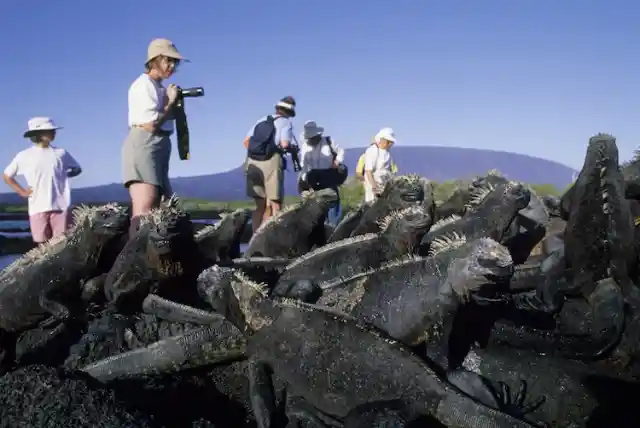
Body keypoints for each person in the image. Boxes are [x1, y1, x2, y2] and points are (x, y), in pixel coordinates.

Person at [122, 38, 187, 237]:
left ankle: (150, 256)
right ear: (155, 59)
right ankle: (134, 258)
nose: (172, 66)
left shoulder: (158, 87)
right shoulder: (143, 85)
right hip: (145, 143)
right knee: (144, 206)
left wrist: (171, 103)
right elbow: (151, 124)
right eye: (168, 60)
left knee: (161, 204)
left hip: (159, 145)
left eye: (175, 62)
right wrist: (171, 102)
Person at [3, 117, 82, 244]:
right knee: (41, 246)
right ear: (38, 134)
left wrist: (65, 175)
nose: (54, 133)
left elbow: (77, 168)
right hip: (37, 206)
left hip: (61, 206)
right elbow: (7, 175)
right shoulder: (24, 156)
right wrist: (22, 192)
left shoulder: (61, 153)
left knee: (62, 245)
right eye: (50, 130)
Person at [243, 96, 297, 233]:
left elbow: (246, 142)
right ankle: (274, 237)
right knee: (275, 203)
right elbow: (284, 144)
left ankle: (255, 238)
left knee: (259, 205)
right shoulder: (285, 123)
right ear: (289, 112)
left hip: (252, 162)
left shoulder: (261, 119)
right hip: (271, 162)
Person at [298, 120, 346, 226]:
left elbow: (341, 151)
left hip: (328, 174)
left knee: (332, 202)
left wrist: (337, 162)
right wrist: (307, 182)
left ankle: (333, 228)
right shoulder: (305, 147)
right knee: (316, 208)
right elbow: (304, 166)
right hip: (313, 177)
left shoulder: (329, 141)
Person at [362, 127, 398, 203]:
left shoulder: (387, 153)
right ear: (382, 140)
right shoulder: (372, 151)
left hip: (384, 184)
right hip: (373, 185)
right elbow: (368, 171)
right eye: (388, 141)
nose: (390, 144)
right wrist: (374, 186)